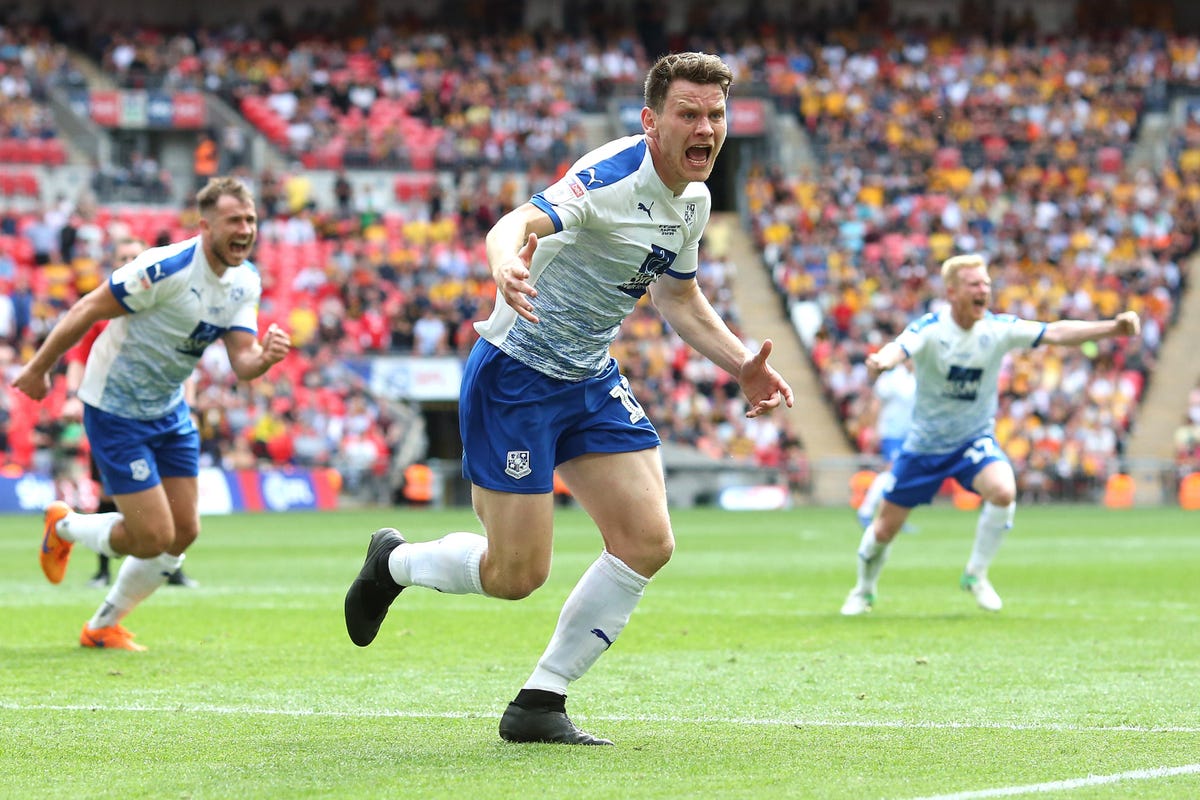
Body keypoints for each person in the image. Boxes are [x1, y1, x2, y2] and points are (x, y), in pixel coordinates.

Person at [343, 52, 794, 745]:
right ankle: (394, 562)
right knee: (515, 574)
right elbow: (520, 222)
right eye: (688, 114)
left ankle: (539, 702)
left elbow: (677, 294)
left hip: (587, 377)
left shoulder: (694, 201)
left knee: (647, 542)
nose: (706, 128)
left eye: (715, 114)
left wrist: (742, 364)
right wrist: (504, 261)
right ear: (651, 121)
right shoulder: (610, 176)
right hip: (515, 376)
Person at [13, 176, 291, 650]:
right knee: (151, 536)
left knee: (183, 532)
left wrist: (262, 359)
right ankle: (64, 526)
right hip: (115, 408)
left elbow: (242, 360)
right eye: (234, 220)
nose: (245, 229)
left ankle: (102, 625)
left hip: (169, 408)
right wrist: (39, 369)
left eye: (251, 220)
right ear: (205, 226)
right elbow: (86, 308)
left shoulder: (244, 282)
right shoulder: (163, 269)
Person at [840, 254, 1140, 616]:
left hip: (973, 440)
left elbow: (1055, 332)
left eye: (986, 284)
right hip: (925, 445)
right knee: (885, 528)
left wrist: (1113, 329)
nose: (984, 290)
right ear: (952, 292)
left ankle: (976, 574)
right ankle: (863, 590)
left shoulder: (997, 329)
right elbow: (900, 347)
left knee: (1003, 490)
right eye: (974, 284)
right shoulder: (932, 329)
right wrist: (882, 361)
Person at [62, 236, 199, 590]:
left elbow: (184, 363)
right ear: (114, 263)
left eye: (134, 256)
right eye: (123, 257)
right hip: (115, 417)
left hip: (163, 415)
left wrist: (190, 405)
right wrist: (74, 396)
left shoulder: (166, 304)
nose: (129, 261)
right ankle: (103, 570)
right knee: (111, 495)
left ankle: (172, 568)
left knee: (174, 500)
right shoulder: (103, 310)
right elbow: (79, 359)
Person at [855, 360, 916, 529]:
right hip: (891, 433)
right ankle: (865, 511)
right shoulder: (891, 378)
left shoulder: (913, 379)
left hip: (907, 434)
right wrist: (874, 431)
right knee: (892, 471)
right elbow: (876, 404)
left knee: (900, 476)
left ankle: (894, 517)